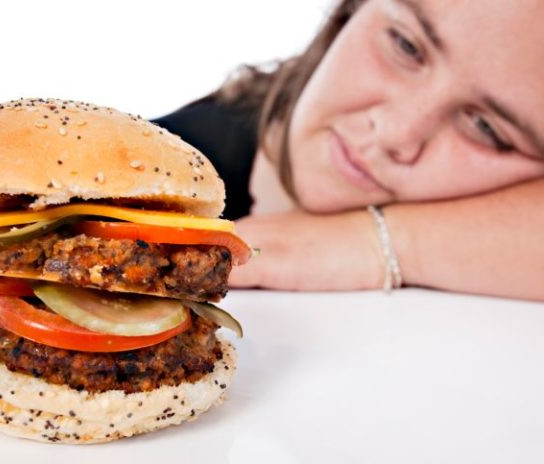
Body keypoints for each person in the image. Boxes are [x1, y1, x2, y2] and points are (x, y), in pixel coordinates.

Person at [153, 0, 544, 301]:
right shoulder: (158, 175)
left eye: (485, 128)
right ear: (351, 10)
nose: (395, 134)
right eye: (406, 45)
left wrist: (379, 242)